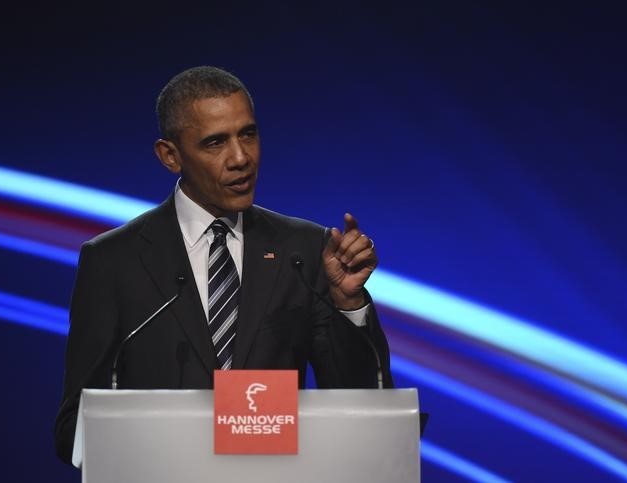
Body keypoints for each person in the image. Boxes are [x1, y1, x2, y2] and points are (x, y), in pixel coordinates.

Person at [53, 66, 393, 464]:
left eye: (248, 134)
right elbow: (72, 429)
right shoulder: (113, 261)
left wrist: (348, 306)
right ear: (170, 156)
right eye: (215, 143)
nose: (240, 158)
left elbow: (364, 407)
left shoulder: (305, 249)